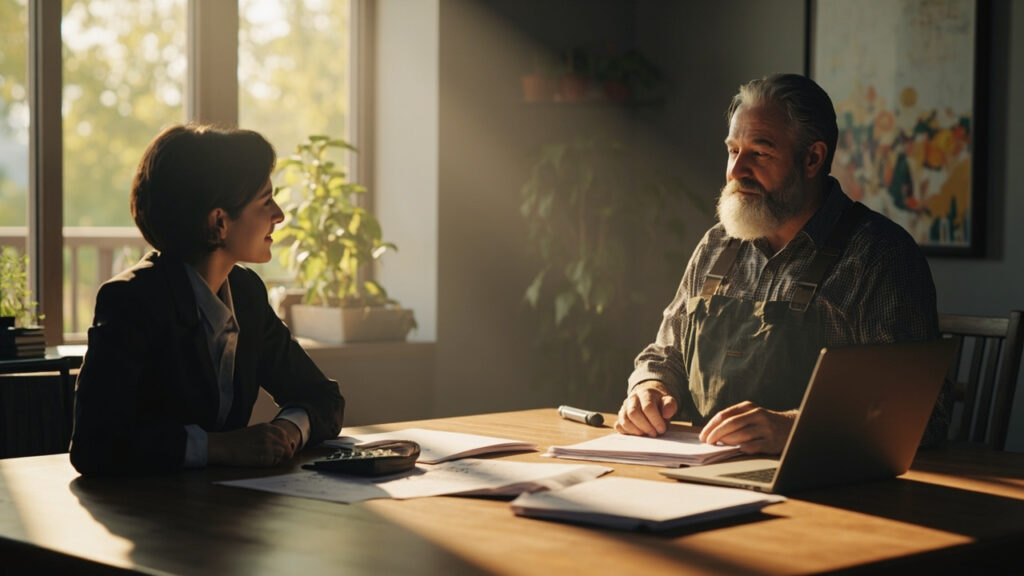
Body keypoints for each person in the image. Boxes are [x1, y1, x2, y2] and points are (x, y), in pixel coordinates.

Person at [615, 73, 949, 455]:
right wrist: (649, 389)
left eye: (759, 153)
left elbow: (920, 415)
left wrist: (796, 429)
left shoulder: (878, 256)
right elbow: (667, 354)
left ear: (812, 158)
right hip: (698, 472)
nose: (736, 171)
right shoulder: (716, 246)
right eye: (733, 150)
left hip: (824, 488)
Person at [70, 124, 345, 476]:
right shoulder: (132, 300)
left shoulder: (246, 293)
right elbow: (95, 444)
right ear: (219, 223)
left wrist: (289, 431)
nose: (279, 214)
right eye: (265, 201)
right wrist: (219, 447)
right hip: (150, 517)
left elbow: (323, 398)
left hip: (224, 508)